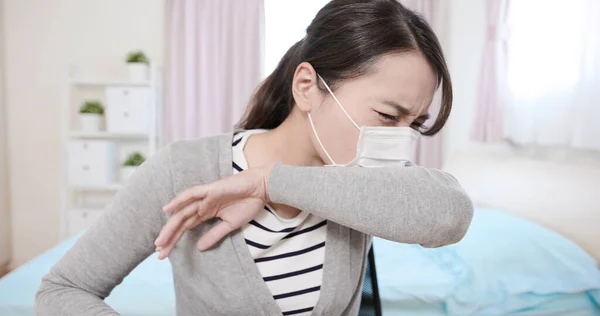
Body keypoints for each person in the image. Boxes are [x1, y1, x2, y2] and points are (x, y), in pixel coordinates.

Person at [36, 1, 474, 315]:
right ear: (307, 86)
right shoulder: (186, 169)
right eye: (387, 115)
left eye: (413, 124)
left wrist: (268, 183)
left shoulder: (367, 181)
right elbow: (63, 290)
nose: (398, 139)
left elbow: (450, 215)